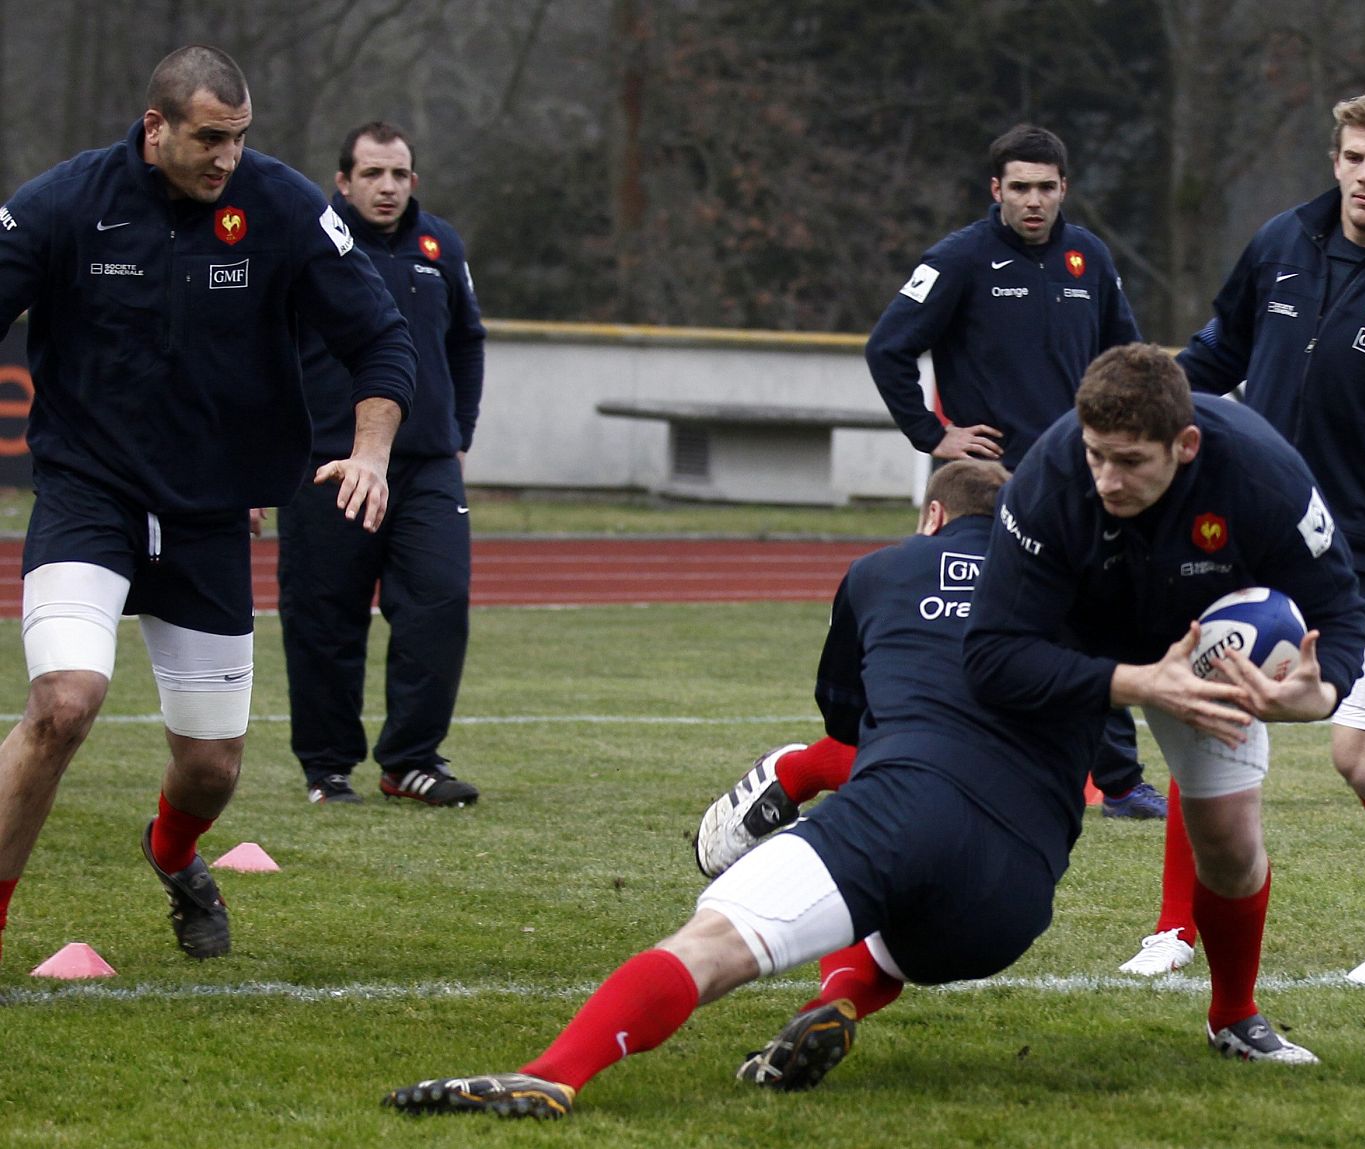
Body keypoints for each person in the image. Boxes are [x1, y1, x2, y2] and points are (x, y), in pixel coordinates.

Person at [384, 459, 1119, 1119]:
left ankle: (552, 1075)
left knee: (710, 946)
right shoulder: (1080, 598)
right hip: (1013, 895)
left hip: (902, 808)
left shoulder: (883, 570)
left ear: (932, 516)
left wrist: (819, 765)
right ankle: (835, 999)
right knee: (893, 919)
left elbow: (845, 719)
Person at [0, 46, 415, 966]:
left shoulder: (283, 206)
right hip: (88, 497)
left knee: (211, 767)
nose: (228, 156)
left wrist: (371, 452)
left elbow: (381, 336)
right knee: (63, 703)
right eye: (210, 138)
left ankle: (173, 850)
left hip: (212, 516)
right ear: (156, 128)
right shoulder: (65, 203)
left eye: (240, 137)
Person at [1118, 89, 1365, 977]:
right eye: (1354, 157)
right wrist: (1140, 399)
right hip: (1258, 534)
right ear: (1335, 160)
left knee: (1364, 759)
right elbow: (1219, 354)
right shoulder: (1281, 242)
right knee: (1204, 710)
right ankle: (1174, 927)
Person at [962, 343, 1365, 1064]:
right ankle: (850, 988)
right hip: (1073, 647)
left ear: (1186, 445)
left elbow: (1340, 606)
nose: (1107, 479)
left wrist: (1323, 690)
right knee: (983, 840)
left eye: (1130, 461)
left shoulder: (1263, 474)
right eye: (1096, 455)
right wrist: (1134, 681)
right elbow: (993, 654)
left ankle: (1234, 1016)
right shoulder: (1048, 480)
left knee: (1231, 843)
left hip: (1204, 648)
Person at [865, 122, 1162, 820]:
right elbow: (887, 348)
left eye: (1046, 188)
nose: (1034, 201)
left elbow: (1126, 358)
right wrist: (934, 435)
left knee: (1093, 617)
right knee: (987, 623)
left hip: (1080, 478)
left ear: (1064, 189)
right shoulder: (958, 259)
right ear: (996, 189)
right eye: (1020, 187)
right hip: (993, 485)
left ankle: (1119, 783)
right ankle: (944, 755)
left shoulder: (1090, 257)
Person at [272, 121, 485, 808]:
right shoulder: (308, 243)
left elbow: (467, 342)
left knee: (439, 602)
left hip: (426, 465)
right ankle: (327, 767)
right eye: (371, 174)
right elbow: (267, 350)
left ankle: (412, 761)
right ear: (343, 181)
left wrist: (459, 432)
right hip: (328, 463)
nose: (387, 187)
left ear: (413, 180)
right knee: (324, 615)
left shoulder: (440, 246)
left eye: (398, 174)